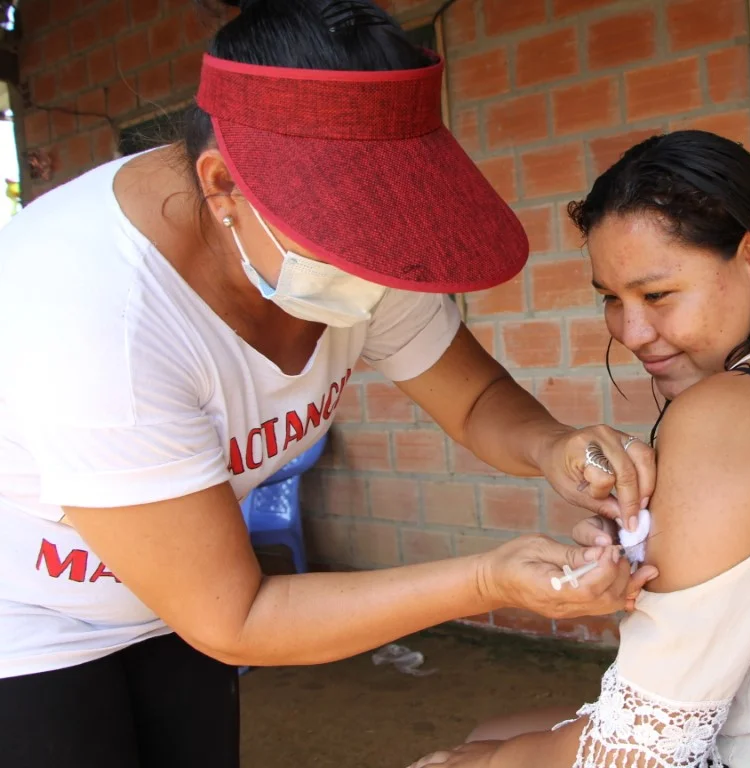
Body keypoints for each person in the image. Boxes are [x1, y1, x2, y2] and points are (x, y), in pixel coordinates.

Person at [0, 3, 659, 766]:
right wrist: (488, 581)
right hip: (28, 618)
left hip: (167, 607)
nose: (380, 274)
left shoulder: (356, 241)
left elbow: (475, 401)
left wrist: (555, 447)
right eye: (347, 241)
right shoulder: (93, 321)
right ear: (221, 187)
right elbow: (237, 616)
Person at [407, 131, 750, 768]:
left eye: (656, 295)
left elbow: (641, 752)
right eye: (610, 298)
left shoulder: (728, 413)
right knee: (498, 729)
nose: (632, 331)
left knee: (473, 751)